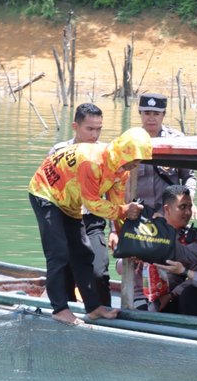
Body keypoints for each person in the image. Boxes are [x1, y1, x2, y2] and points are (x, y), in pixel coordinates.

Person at [28, 127, 152, 325]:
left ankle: (93, 307)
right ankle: (60, 309)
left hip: (70, 199)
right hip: (46, 193)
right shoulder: (93, 162)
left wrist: (124, 237)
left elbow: (117, 203)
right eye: (134, 160)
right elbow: (93, 203)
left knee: (83, 253)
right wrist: (123, 210)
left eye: (138, 162)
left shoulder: (122, 171)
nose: (135, 165)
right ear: (124, 152)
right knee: (58, 252)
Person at [110, 92, 197, 309]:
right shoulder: (127, 141)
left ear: (164, 115)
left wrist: (188, 202)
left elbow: (189, 177)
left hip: (169, 216)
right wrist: (112, 228)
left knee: (178, 258)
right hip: (137, 217)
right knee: (124, 263)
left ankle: (170, 298)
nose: (151, 118)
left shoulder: (176, 141)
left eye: (156, 113)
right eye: (147, 112)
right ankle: (138, 301)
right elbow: (113, 186)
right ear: (139, 113)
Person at [49, 103, 111, 306]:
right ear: (75, 127)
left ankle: (106, 315)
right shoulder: (59, 151)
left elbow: (114, 193)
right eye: (89, 129)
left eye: (98, 129)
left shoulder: (106, 154)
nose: (94, 135)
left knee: (98, 272)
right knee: (65, 273)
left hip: (92, 220)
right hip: (64, 219)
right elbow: (47, 189)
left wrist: (116, 230)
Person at [148, 184, 197, 313]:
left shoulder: (194, 236)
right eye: (182, 207)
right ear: (167, 209)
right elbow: (121, 267)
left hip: (175, 295)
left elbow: (196, 275)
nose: (188, 212)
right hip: (146, 294)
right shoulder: (148, 230)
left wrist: (171, 295)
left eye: (190, 207)